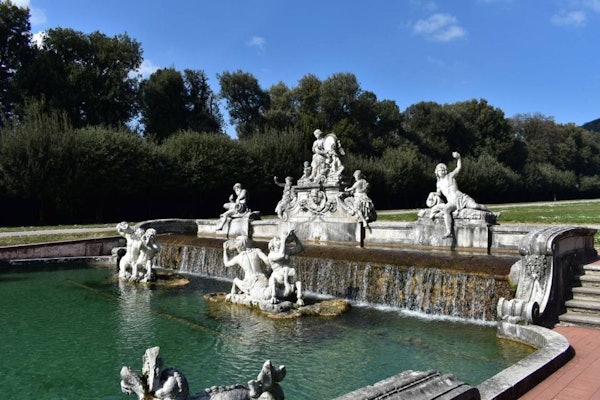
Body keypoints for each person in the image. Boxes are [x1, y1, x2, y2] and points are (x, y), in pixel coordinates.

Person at [434, 152, 491, 238]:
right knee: (446, 210)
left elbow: (458, 168)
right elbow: (438, 193)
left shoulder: (450, 176)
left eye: (443, 170)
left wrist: (459, 158)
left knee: (475, 206)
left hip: (461, 198)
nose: (441, 172)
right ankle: (449, 231)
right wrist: (432, 194)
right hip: (451, 202)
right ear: (437, 172)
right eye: (439, 170)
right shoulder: (438, 183)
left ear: (445, 171)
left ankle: (491, 212)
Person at [267, 230, 304, 305]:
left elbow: (300, 248)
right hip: (278, 276)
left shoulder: (286, 250)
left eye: (280, 239)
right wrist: (283, 240)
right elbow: (281, 255)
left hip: (288, 274)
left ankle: (299, 297)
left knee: (295, 276)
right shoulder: (271, 255)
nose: (280, 240)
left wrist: (295, 237)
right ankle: (273, 296)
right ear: (272, 246)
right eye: (277, 240)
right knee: (272, 280)